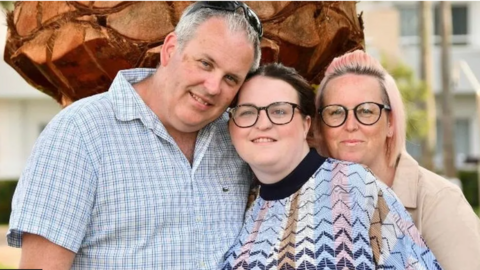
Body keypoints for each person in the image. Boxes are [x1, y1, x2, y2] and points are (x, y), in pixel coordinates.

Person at [7, 2, 262, 269]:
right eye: (205, 63)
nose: (213, 87)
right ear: (170, 49)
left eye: (231, 79)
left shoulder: (237, 139)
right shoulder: (80, 133)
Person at [222, 63, 441, 269]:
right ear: (232, 126)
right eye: (247, 111)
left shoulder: (354, 186)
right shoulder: (244, 203)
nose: (263, 123)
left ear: (306, 124)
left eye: (280, 111)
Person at [313, 49, 480, 270]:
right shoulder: (310, 200)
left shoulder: (438, 200)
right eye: (335, 112)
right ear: (320, 126)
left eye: (366, 111)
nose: (350, 125)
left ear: (390, 123)